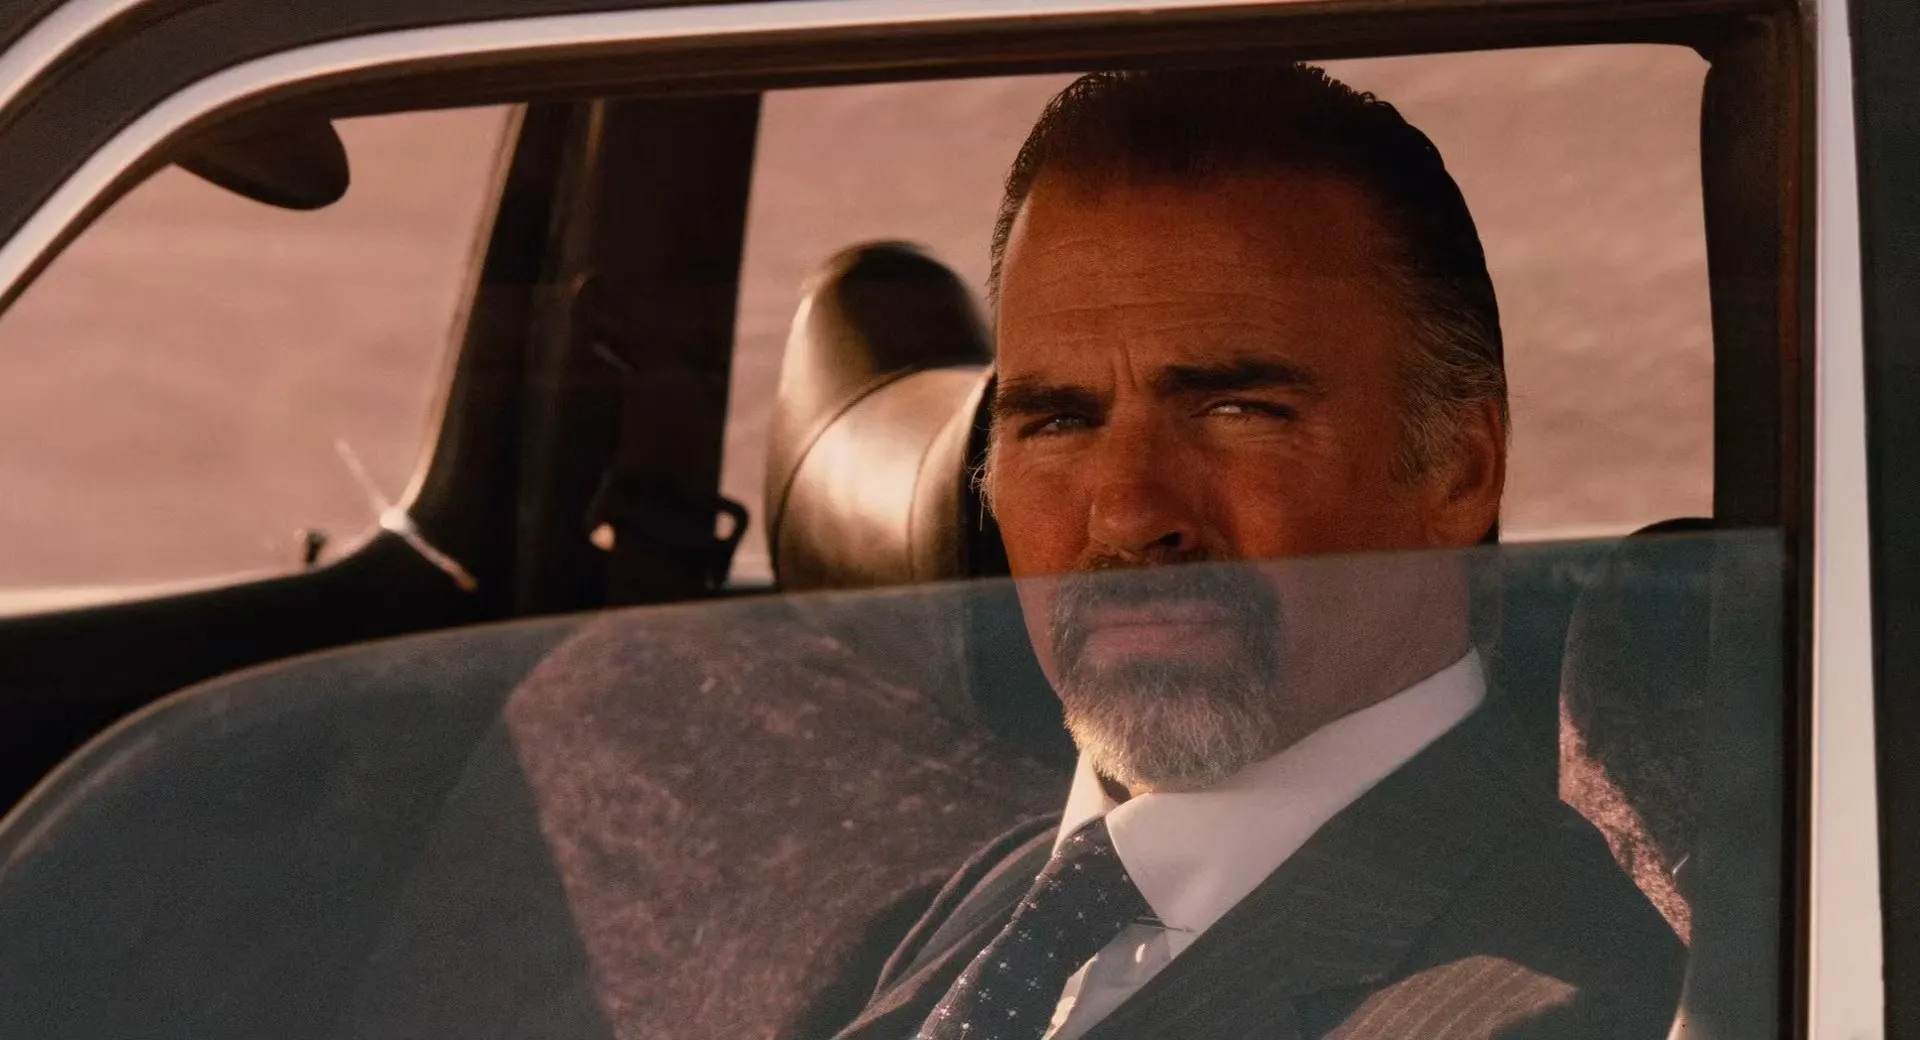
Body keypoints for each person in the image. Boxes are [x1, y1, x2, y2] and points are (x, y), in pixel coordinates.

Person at [828, 65, 1683, 1040]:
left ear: (1457, 469)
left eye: (1237, 410)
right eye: (1060, 421)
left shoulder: (1552, 1012)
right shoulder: (1011, 894)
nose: (1129, 514)